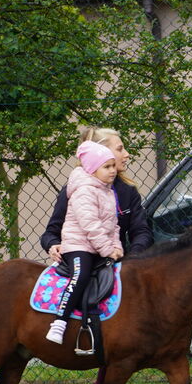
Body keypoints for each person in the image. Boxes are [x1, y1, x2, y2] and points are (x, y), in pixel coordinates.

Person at [40, 126, 153, 384]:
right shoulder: (78, 188)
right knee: (108, 343)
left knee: (120, 347)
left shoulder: (128, 193)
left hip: (120, 267)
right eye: (120, 148)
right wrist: (53, 246)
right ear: (101, 155)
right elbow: (52, 230)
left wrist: (130, 260)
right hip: (86, 262)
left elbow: (143, 231)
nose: (126, 154)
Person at [46, 140, 124, 344]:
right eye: (106, 167)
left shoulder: (107, 191)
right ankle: (59, 323)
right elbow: (91, 226)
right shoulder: (84, 191)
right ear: (92, 169)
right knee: (80, 276)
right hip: (78, 246)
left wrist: (116, 247)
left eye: (113, 166)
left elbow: (113, 225)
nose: (112, 171)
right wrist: (107, 249)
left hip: (97, 247)